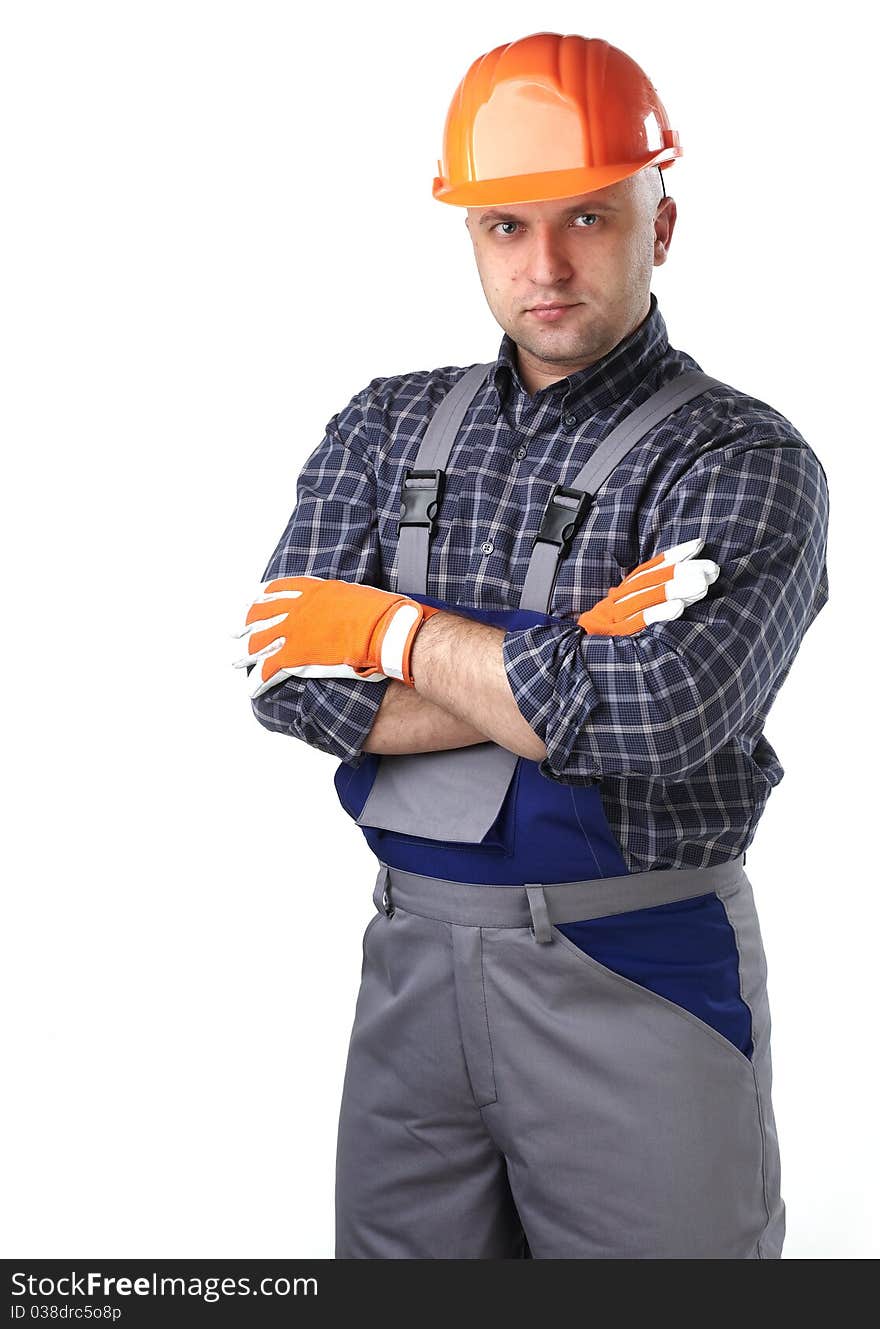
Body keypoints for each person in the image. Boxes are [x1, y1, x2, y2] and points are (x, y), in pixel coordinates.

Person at [232, 32, 829, 1259]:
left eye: (588, 220)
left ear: (659, 225)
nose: (545, 264)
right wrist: (562, 654)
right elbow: (288, 682)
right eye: (506, 227)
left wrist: (388, 632)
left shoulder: (741, 460)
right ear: (467, 233)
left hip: (637, 968)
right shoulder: (384, 423)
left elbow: (660, 715)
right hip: (408, 968)